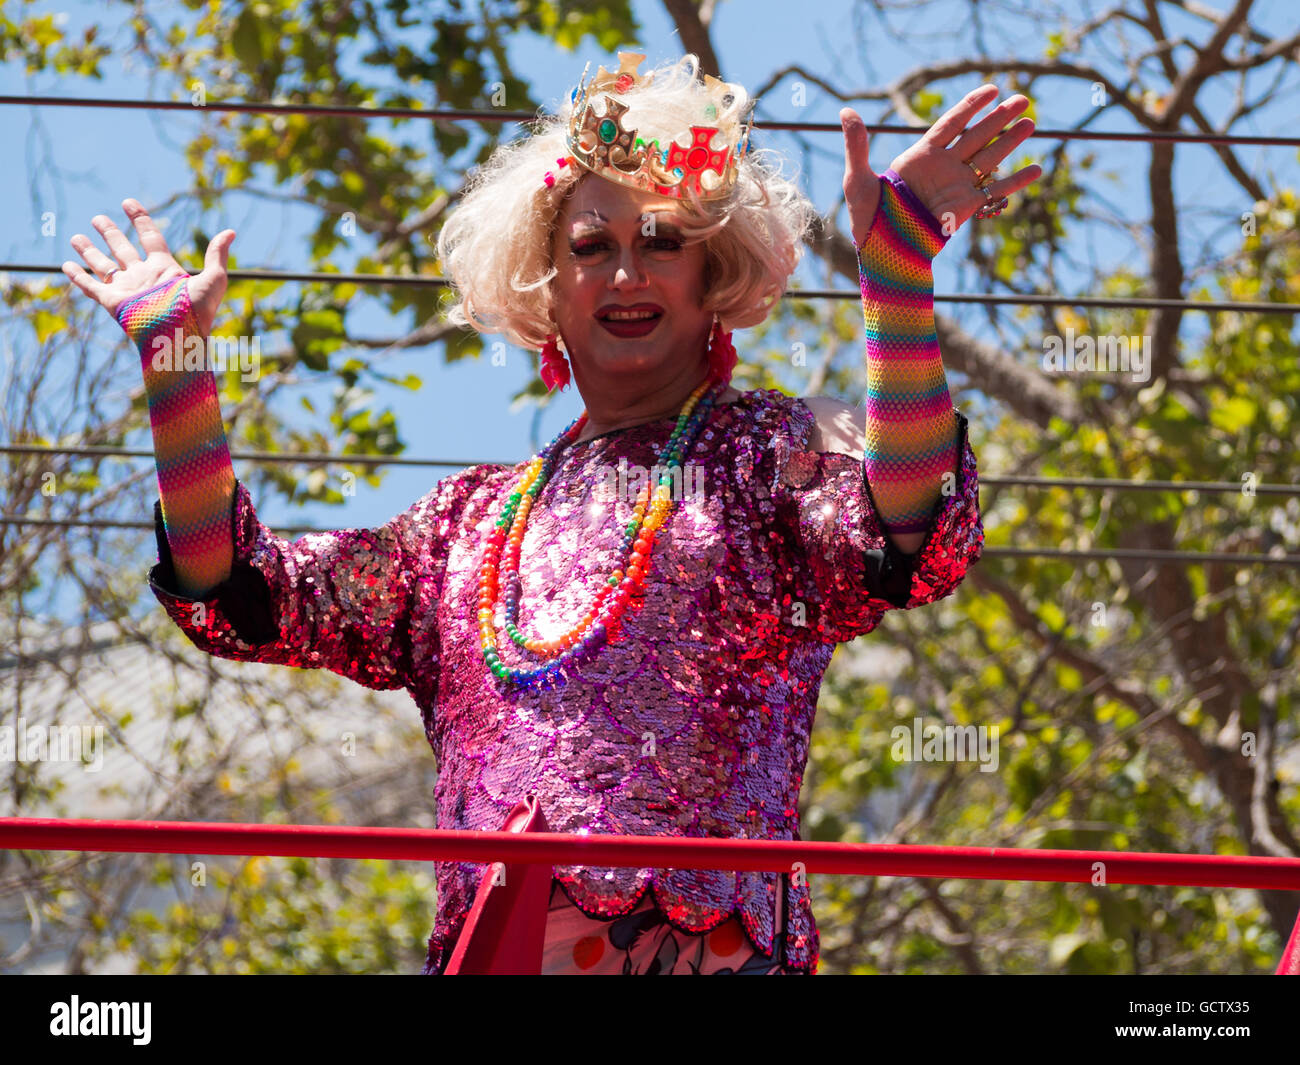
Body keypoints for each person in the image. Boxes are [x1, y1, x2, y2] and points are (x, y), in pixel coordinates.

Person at [62, 50, 1039, 975]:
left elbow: (908, 536)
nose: (626, 271)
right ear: (546, 289)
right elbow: (238, 593)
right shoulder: (459, 524)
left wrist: (897, 275)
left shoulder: (762, 454)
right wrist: (178, 367)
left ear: (712, 282)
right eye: (591, 247)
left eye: (661, 242)